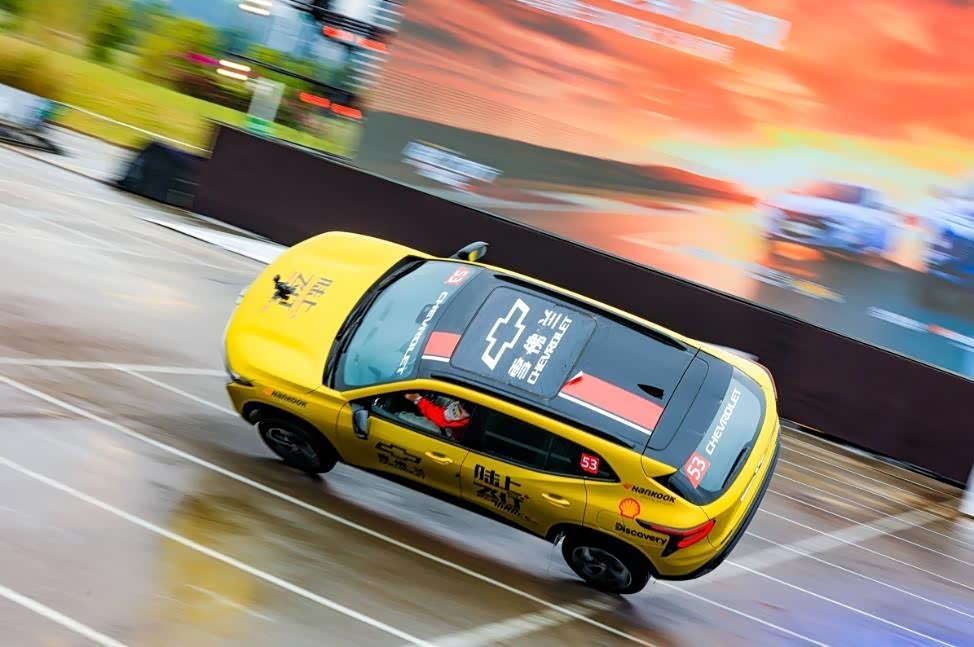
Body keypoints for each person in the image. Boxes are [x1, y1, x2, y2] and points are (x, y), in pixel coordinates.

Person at [404, 392, 471, 440]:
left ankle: (400, 414)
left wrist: (418, 399)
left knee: (404, 418)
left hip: (453, 436)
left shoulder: (468, 410)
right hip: (459, 426)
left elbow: (442, 419)